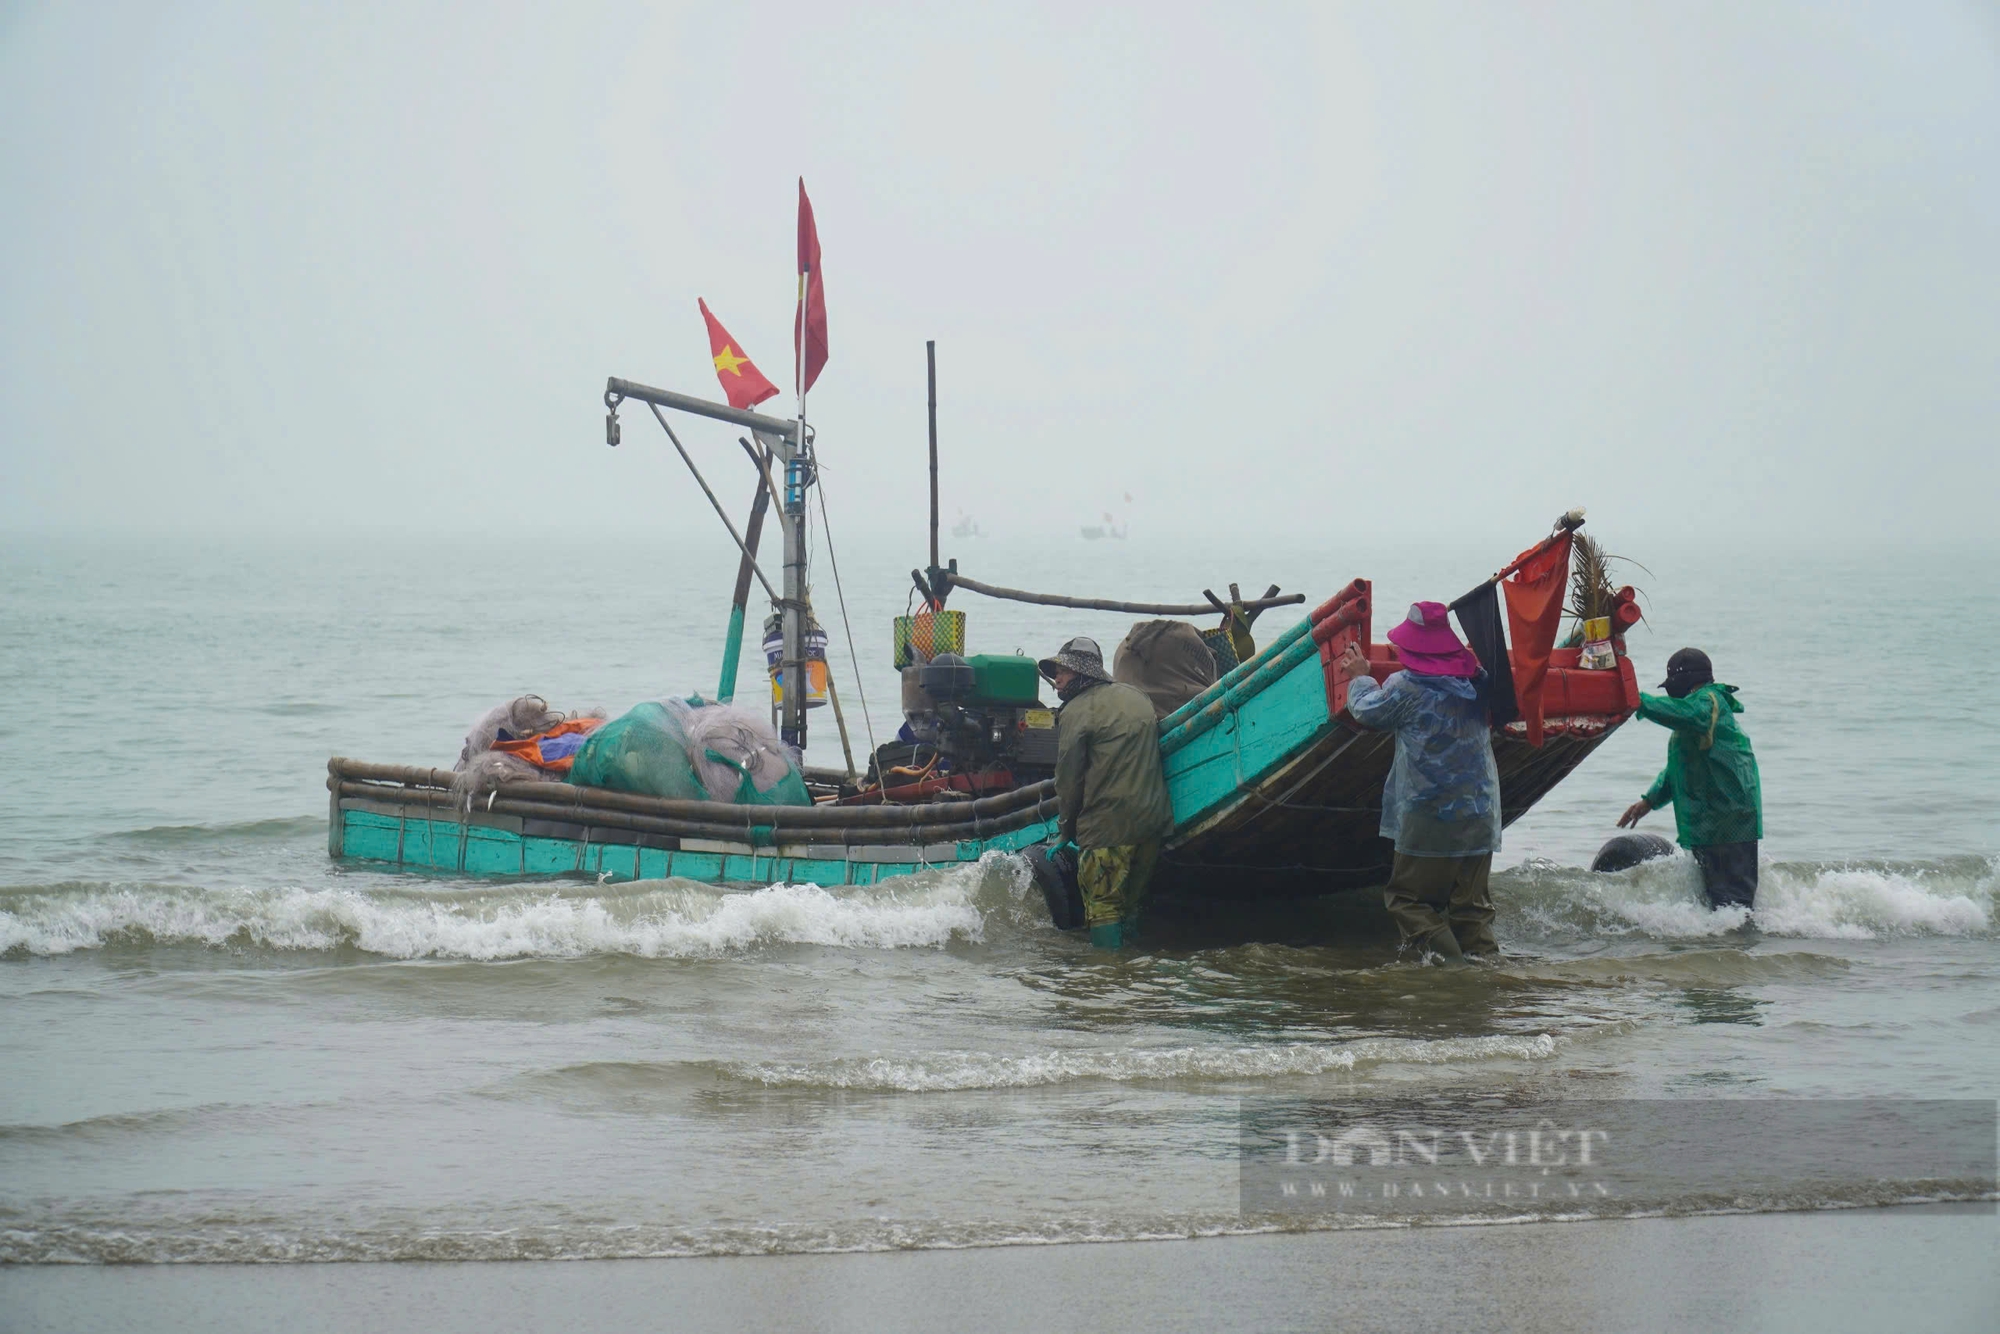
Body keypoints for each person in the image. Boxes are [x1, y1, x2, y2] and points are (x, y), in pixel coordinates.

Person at [1335, 602, 1502, 961]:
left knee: (1406, 900)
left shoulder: (1405, 687)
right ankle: (1488, 978)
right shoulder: (1480, 682)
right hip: (1480, 812)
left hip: (1430, 812)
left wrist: (1361, 675)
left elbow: (1366, 710)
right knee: (1472, 910)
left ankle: (1452, 971)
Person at [1039, 635, 1174, 950]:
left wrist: (1064, 832)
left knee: (1103, 908)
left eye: (1064, 670)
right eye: (1055, 671)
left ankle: (1106, 982)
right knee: (1132, 904)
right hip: (1153, 825)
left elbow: (1068, 781)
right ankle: (1137, 974)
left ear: (1083, 672)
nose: (1056, 678)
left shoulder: (1075, 712)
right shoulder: (1137, 697)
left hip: (1107, 831)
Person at [1617, 648, 1763, 910]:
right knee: (1719, 903)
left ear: (1684, 680)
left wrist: (1638, 701)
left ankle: (1740, 946)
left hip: (1728, 822)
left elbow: (1684, 713)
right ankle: (1726, 948)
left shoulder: (1708, 702)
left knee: (1735, 904)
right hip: (1713, 823)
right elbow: (1680, 767)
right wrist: (1649, 801)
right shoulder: (1702, 708)